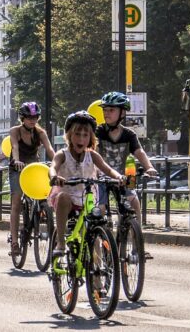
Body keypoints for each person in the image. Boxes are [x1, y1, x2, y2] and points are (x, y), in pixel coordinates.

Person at [48, 111, 123, 256]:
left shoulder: (92, 155)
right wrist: (54, 176)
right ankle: (61, 242)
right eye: (77, 134)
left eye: (85, 135)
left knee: (96, 221)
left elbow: (108, 169)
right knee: (63, 197)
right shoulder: (62, 154)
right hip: (67, 199)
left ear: (90, 139)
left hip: (87, 198)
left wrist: (119, 177)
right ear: (69, 135)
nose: (81, 138)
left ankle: (97, 270)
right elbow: (53, 167)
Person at [95, 92, 158, 222]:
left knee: (133, 201)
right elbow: (94, 151)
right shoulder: (99, 131)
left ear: (122, 113)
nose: (106, 113)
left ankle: (137, 233)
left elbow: (139, 151)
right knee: (100, 208)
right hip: (102, 175)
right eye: (105, 110)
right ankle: (100, 236)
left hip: (125, 175)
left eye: (111, 110)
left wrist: (149, 167)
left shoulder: (129, 134)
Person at [8, 102, 56, 258]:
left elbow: (49, 149)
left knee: (43, 195)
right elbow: (15, 147)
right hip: (18, 167)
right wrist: (16, 161)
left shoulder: (40, 132)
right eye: (29, 117)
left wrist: (59, 163)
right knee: (16, 202)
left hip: (34, 167)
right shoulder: (15, 131)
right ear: (22, 118)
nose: (32, 120)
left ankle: (42, 215)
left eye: (35, 117)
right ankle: (15, 242)